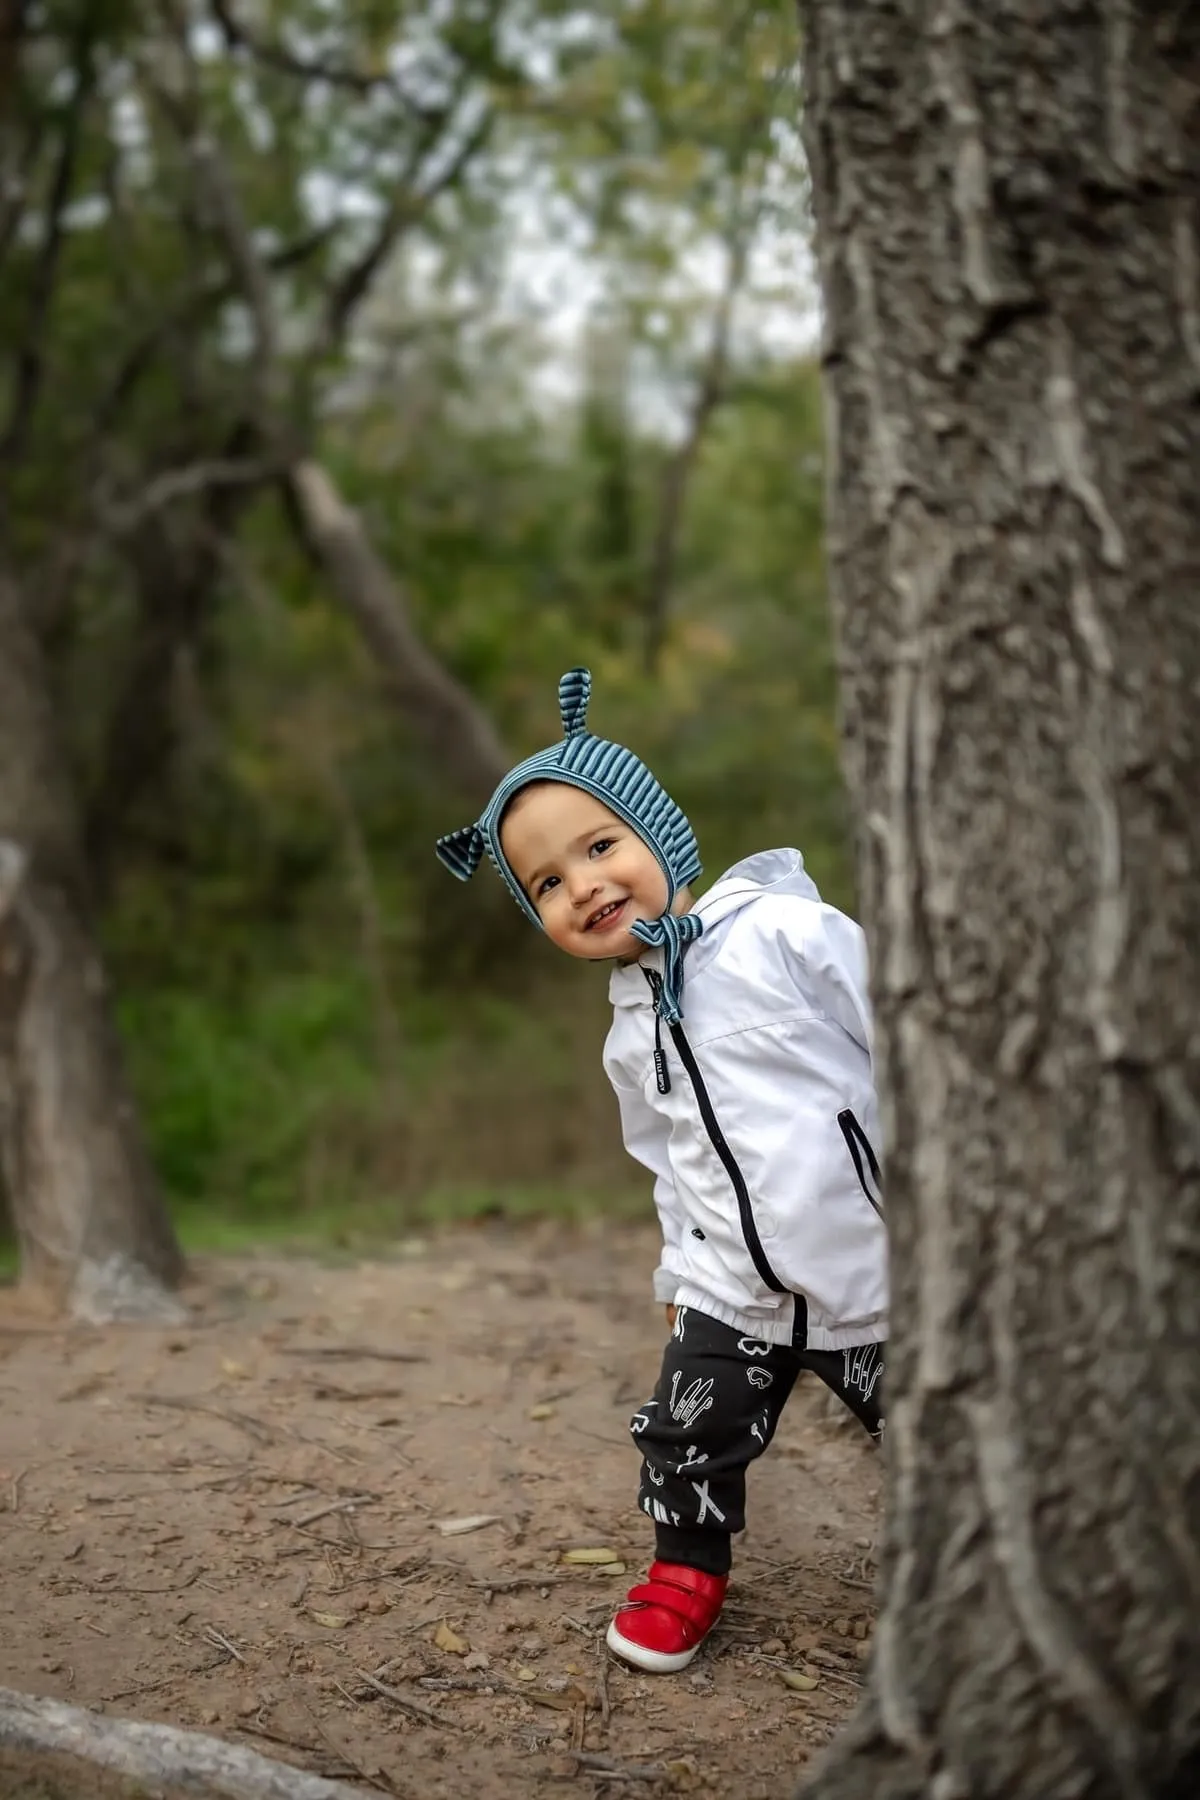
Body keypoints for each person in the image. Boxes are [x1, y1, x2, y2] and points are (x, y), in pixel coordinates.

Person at [437, 668, 887, 1674]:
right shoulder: (627, 1023)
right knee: (684, 1431)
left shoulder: (785, 934)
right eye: (548, 883)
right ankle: (687, 1567)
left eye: (601, 848)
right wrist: (684, 1283)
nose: (585, 884)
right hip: (731, 1288)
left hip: (871, 1270)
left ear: (659, 834)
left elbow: (904, 1042)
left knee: (932, 1425)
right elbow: (670, 1156)